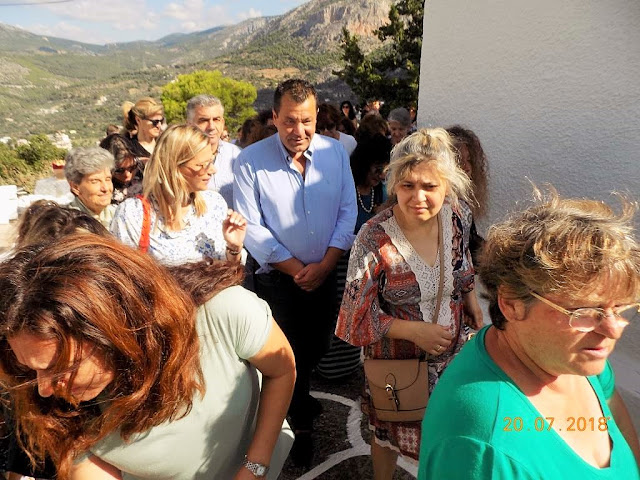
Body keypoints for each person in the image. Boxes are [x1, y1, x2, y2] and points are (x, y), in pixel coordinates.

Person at [0, 232, 296, 480]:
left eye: (58, 367)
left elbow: (282, 370)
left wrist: (255, 466)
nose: (44, 388)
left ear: (111, 330)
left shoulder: (224, 312)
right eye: (29, 369)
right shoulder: (54, 407)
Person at [419, 190, 640, 479]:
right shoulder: (482, 448)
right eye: (584, 311)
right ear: (512, 304)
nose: (613, 330)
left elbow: (622, 439)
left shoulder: (579, 359)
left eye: (620, 308)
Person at [335, 128, 483, 479]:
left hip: (454, 353)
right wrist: (414, 331)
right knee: (388, 431)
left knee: (447, 433)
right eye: (407, 185)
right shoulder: (373, 237)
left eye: (430, 186)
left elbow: (461, 262)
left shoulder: (457, 216)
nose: (418, 197)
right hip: (398, 362)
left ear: (448, 185)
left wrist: (472, 300)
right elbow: (352, 320)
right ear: (394, 183)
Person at [233, 78, 357, 467]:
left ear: (317, 116)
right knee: (286, 353)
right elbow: (252, 227)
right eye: (289, 121)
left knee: (317, 346)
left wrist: (326, 264)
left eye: (306, 121)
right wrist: (297, 269)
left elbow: (348, 210)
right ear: (274, 117)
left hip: (325, 274)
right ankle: (299, 425)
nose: (298, 130)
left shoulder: (335, 153)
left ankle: (297, 400)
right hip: (278, 281)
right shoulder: (249, 161)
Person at [110, 124, 246, 265]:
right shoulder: (132, 214)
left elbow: (229, 269)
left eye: (211, 161)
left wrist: (234, 248)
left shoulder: (214, 204)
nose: (213, 170)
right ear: (174, 166)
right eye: (202, 165)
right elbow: (123, 273)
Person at [316, 134, 392, 381]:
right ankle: (327, 367)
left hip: (367, 266)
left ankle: (347, 365)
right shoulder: (344, 186)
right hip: (340, 263)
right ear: (364, 163)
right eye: (377, 169)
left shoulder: (380, 191)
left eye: (385, 170)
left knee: (358, 314)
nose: (381, 175)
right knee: (337, 313)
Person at [186, 94, 241, 208]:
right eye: (203, 120)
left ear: (223, 123)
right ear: (189, 124)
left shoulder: (238, 156)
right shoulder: (179, 158)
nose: (211, 126)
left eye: (216, 119)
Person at [446, 125, 489, 264]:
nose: (467, 167)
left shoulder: (463, 204)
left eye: (469, 160)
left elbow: (469, 241)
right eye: (459, 161)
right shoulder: (443, 206)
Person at [64, 147, 116, 228]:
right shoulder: (66, 224)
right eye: (95, 181)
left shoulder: (118, 215)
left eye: (108, 179)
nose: (105, 188)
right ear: (75, 187)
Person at [99, 133, 149, 205]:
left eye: (132, 167)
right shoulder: (101, 186)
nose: (127, 175)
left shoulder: (145, 169)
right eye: (119, 170)